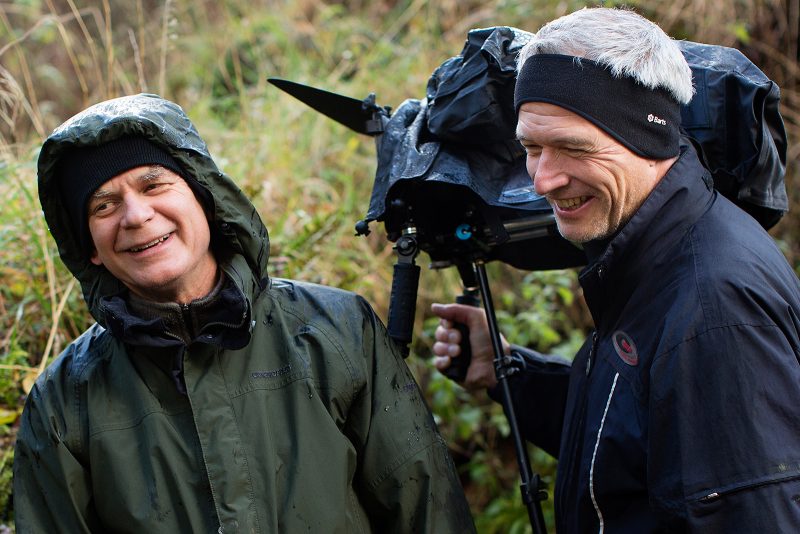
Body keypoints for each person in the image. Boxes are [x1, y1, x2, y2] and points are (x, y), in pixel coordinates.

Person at [13, 93, 476, 533]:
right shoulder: (64, 403)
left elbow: (425, 509)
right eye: (103, 205)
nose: (135, 216)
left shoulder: (337, 330)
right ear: (89, 248)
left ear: (204, 198)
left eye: (154, 184)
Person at [432, 7, 800, 532]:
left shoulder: (712, 307)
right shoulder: (646, 255)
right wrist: (512, 374)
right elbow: (636, 443)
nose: (542, 180)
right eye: (531, 148)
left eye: (572, 148)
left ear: (648, 138)